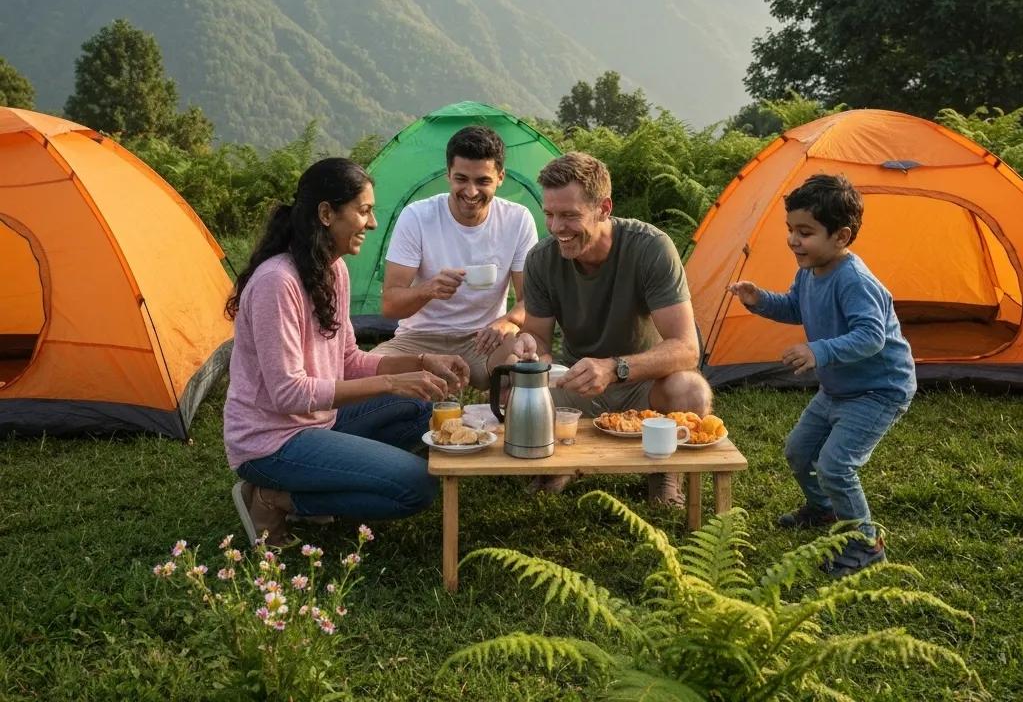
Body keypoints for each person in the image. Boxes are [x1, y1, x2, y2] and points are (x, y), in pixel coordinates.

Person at [224, 158, 469, 546]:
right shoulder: (277, 282)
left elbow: (349, 360)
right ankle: (274, 497)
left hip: (320, 421)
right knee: (416, 486)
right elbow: (288, 393)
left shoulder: (332, 270)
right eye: (364, 210)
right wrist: (391, 382)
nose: (371, 224)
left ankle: (330, 475)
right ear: (326, 213)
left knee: (427, 410)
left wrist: (422, 362)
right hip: (272, 442)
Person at [727, 173, 916, 577]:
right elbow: (796, 306)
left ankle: (866, 545)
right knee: (798, 451)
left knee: (836, 466)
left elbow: (872, 337)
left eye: (805, 232)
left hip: (878, 391)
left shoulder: (855, 281)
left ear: (841, 237)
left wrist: (818, 350)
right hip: (838, 387)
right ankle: (824, 509)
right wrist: (760, 300)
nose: (793, 240)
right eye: (791, 230)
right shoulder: (809, 272)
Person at [512, 151, 713, 506]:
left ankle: (665, 472)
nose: (558, 228)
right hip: (577, 380)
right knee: (513, 393)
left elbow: (686, 347)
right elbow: (540, 342)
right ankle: (560, 462)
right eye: (550, 214)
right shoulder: (541, 260)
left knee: (691, 390)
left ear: (604, 208)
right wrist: (531, 351)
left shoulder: (650, 247)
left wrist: (614, 368)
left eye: (570, 216)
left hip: (644, 383)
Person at [372, 125, 538, 389]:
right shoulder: (417, 216)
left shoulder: (517, 220)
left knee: (523, 365)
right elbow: (391, 305)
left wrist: (508, 321)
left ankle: (502, 425)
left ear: (500, 177)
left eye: (483, 181)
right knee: (367, 377)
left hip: (484, 339)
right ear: (448, 175)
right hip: (419, 338)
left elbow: (529, 301)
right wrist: (428, 290)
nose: (471, 192)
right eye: (461, 179)